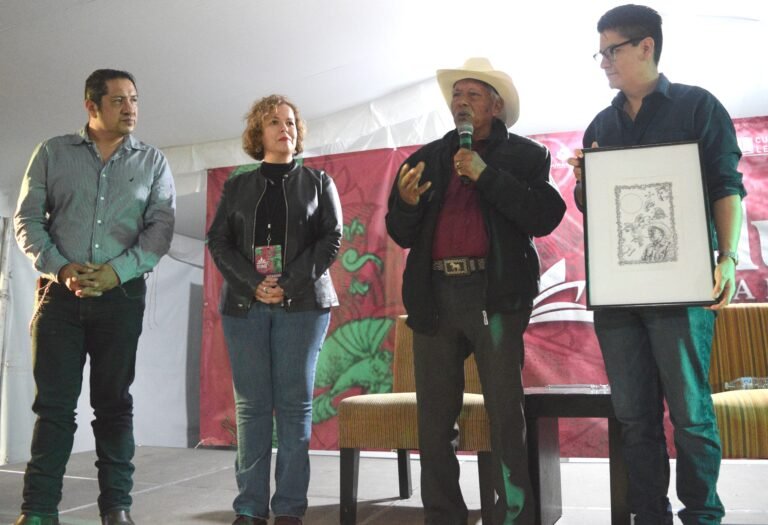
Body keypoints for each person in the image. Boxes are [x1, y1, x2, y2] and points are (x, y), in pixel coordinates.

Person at [568, 5, 745, 524]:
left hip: (682, 289)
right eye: (599, 52)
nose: (603, 62)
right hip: (619, 298)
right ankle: (648, 516)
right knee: (633, 417)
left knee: (690, 415)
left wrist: (727, 257)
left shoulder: (698, 107)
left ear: (646, 46)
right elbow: (596, 211)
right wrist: (587, 181)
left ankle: (702, 515)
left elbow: (726, 186)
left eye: (611, 50)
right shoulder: (600, 125)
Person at [386, 58, 566, 524]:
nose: (462, 103)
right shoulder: (424, 158)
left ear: (497, 106)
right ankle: (445, 516)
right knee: (434, 421)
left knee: (507, 415)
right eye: (457, 95)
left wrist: (485, 174)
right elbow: (401, 231)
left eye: (473, 95)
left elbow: (543, 216)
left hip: (497, 296)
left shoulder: (527, 156)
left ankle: (515, 516)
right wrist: (405, 205)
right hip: (434, 297)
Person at [13, 69, 176, 525]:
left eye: (135, 99)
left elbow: (160, 229)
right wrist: (62, 268)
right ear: (91, 106)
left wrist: (115, 272)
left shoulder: (153, 162)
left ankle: (116, 510)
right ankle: (40, 511)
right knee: (54, 407)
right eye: (119, 100)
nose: (130, 109)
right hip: (58, 300)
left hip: (120, 300)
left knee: (113, 404)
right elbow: (27, 220)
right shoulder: (52, 152)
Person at [206, 94, 342, 525]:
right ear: (257, 134)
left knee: (295, 406)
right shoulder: (237, 185)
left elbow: (331, 240)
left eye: (291, 123)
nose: (286, 129)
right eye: (274, 123)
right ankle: (249, 508)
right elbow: (218, 241)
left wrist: (286, 284)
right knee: (251, 407)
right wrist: (253, 283)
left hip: (303, 304)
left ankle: (288, 510)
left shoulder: (320, 182)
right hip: (245, 306)